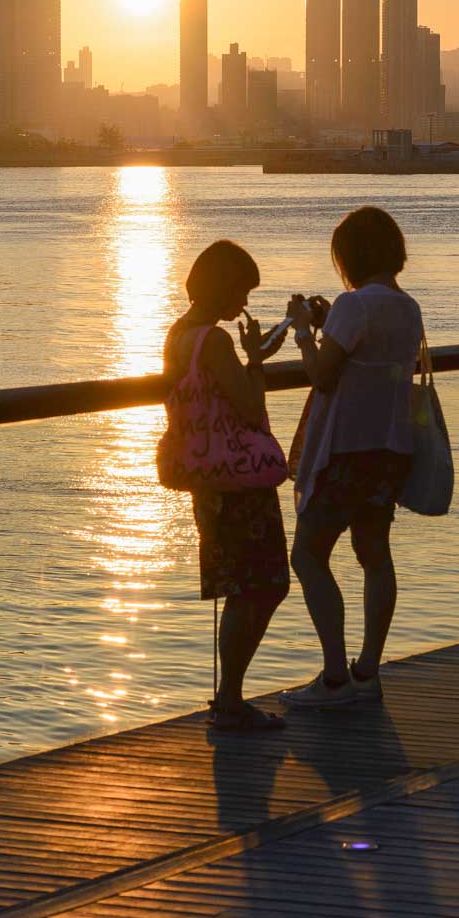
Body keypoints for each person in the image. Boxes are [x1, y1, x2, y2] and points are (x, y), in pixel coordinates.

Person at [283, 206, 422, 707]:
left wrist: (303, 329)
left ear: (350, 255)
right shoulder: (409, 308)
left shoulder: (352, 304)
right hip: (389, 449)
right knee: (374, 556)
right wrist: (328, 324)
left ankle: (336, 676)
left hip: (344, 452)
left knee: (308, 556)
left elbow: (322, 374)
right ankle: (368, 672)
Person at [163, 240, 290, 730]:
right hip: (239, 479)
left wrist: (251, 356)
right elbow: (251, 408)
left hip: (208, 474)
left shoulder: (179, 332)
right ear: (222, 285)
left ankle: (229, 696)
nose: (245, 302)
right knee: (262, 585)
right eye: (242, 289)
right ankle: (230, 698)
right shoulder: (214, 342)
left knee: (244, 585)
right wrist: (256, 361)